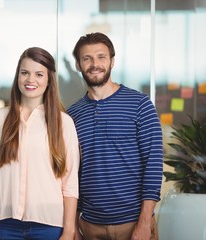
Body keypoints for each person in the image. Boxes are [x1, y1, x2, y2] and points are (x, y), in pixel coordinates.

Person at [67, 32, 163, 240]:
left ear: (112, 61)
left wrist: (145, 222)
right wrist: (73, 223)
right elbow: (72, 174)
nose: (95, 64)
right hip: (89, 226)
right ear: (78, 65)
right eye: (87, 58)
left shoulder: (140, 105)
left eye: (101, 57)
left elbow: (153, 165)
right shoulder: (72, 115)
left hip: (134, 224)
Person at [0, 47, 80, 240]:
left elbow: (70, 184)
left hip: (50, 226)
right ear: (17, 76)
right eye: (24, 73)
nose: (30, 80)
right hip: (4, 226)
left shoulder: (63, 122)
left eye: (39, 74)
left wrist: (68, 231)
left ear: (49, 79)